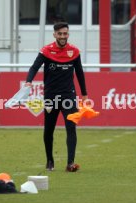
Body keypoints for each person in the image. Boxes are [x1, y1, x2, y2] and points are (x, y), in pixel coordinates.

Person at [25, 22, 88, 172]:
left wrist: (84, 94)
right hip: (51, 97)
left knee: (71, 128)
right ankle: (49, 161)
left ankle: (70, 163)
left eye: (65, 33)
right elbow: (34, 67)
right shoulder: (46, 51)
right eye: (59, 34)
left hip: (69, 97)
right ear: (54, 35)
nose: (62, 36)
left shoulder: (74, 51)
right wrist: (28, 81)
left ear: (68, 34)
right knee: (49, 130)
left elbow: (79, 73)